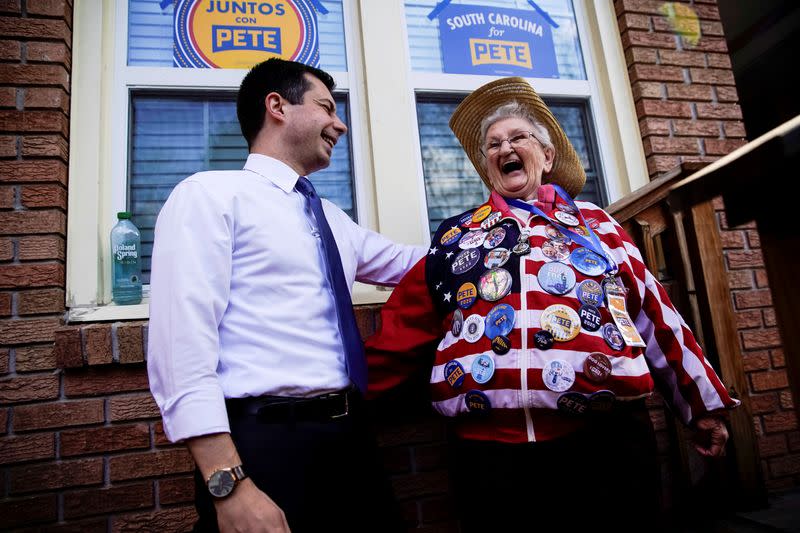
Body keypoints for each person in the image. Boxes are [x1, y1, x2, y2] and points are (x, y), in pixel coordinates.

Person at [365, 77, 740, 532]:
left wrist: (701, 407)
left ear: (546, 156)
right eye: (493, 144)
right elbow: (405, 327)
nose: (505, 147)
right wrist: (349, 397)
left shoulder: (596, 225)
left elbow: (656, 317)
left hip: (603, 444)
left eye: (517, 137)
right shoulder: (455, 237)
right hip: (489, 456)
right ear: (488, 168)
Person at [147, 58, 425, 533]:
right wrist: (228, 484)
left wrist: (514, 227)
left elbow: (416, 263)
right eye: (326, 106)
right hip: (266, 446)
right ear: (277, 105)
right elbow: (181, 350)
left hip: (352, 438)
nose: (339, 123)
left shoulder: (333, 218)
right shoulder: (210, 196)